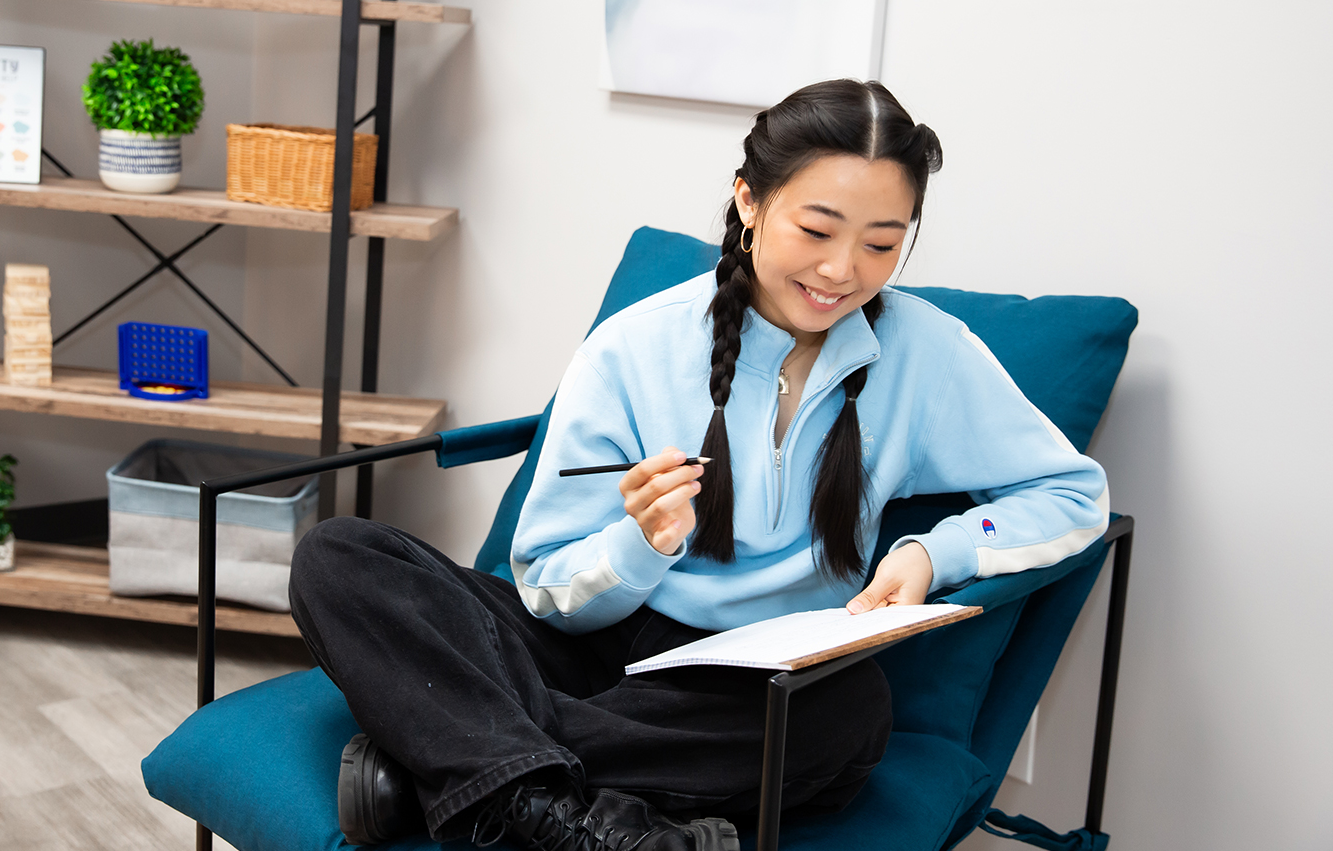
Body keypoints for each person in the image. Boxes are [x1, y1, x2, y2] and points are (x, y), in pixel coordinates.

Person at [290, 79, 1109, 851]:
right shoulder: (636, 347)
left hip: (759, 685)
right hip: (595, 647)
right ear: (749, 200)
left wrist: (936, 551)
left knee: (848, 720)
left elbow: (1073, 492)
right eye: (816, 231)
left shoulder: (928, 355)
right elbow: (544, 581)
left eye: (881, 243)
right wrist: (638, 544)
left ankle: (447, 767)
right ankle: (577, 811)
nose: (841, 271)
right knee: (340, 556)